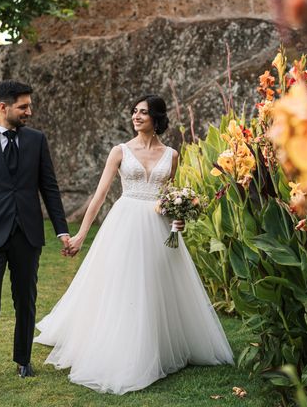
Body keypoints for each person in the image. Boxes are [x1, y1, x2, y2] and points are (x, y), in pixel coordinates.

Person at [34, 94, 234, 395]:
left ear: (157, 118)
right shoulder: (119, 151)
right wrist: (80, 236)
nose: (136, 117)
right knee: (124, 284)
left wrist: (178, 218)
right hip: (124, 223)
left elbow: (170, 197)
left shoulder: (172, 155)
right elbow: (100, 196)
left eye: (143, 113)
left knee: (156, 284)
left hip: (158, 225)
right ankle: (123, 348)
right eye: (134, 112)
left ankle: (158, 345)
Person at [0, 80, 70, 403]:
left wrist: (61, 229)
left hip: (27, 235)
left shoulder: (36, 141)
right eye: (23, 106)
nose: (29, 111)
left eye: (29, 105)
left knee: (26, 300)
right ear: (3, 107)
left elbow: (49, 187)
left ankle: (23, 360)